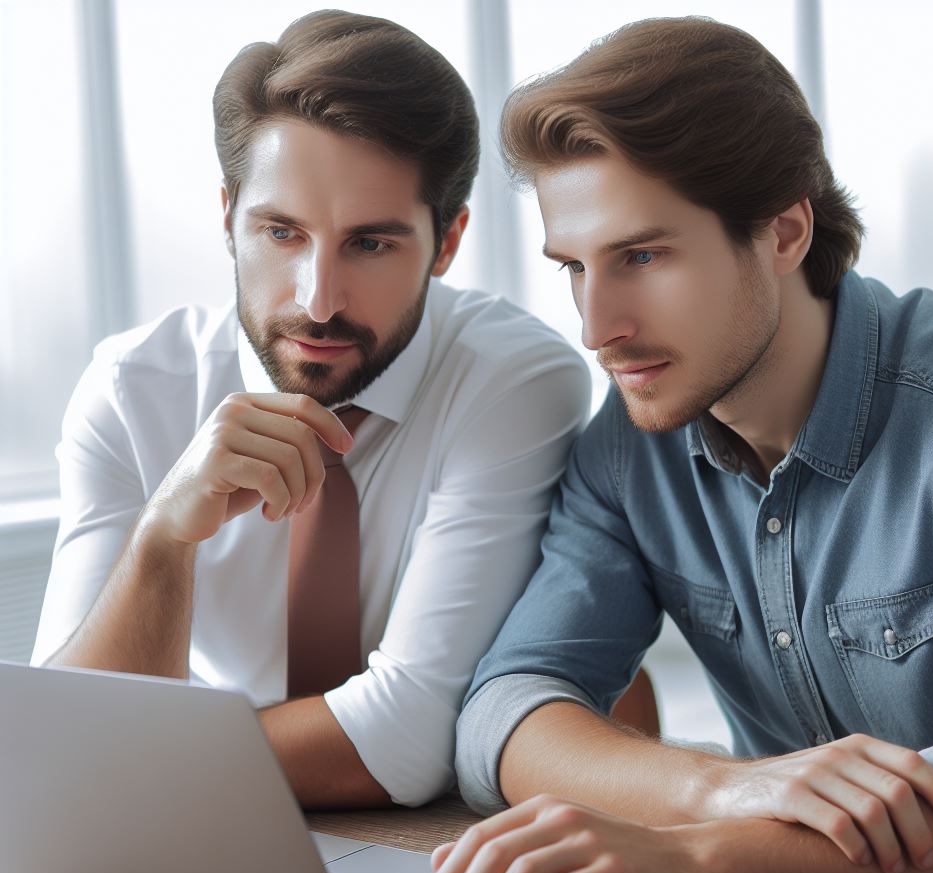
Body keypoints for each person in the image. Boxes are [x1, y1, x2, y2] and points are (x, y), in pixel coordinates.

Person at [428, 16, 933, 873]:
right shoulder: (628, 450)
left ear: (784, 231)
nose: (599, 327)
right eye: (575, 269)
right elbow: (503, 713)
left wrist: (690, 857)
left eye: (642, 257)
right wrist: (716, 789)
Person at [32, 10, 656, 810]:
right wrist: (161, 539)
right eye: (282, 233)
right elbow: (59, 750)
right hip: (208, 830)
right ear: (229, 219)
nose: (318, 300)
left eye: (370, 244)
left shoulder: (512, 381)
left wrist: (129, 768)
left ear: (447, 242)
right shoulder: (131, 392)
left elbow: (404, 739)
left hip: (441, 844)